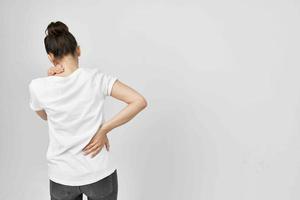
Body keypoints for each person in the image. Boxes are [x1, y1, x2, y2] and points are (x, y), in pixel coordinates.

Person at [28, 21, 148, 200]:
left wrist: (50, 83)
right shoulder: (96, 78)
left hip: (62, 175)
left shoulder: (37, 87)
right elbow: (139, 101)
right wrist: (103, 130)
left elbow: (46, 116)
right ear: (78, 50)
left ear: (50, 57)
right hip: (98, 171)